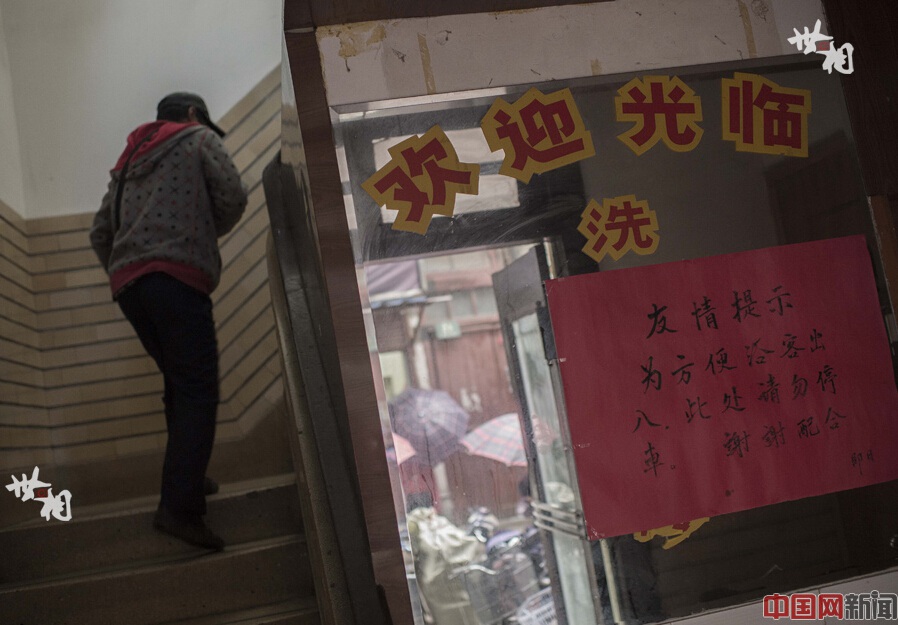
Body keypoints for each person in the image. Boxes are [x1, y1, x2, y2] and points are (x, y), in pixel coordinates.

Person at [89, 93, 247, 550]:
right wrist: (197, 230)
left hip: (130, 288)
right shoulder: (199, 140)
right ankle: (179, 509)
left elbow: (101, 232)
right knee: (198, 388)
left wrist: (127, 269)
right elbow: (233, 197)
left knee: (179, 385)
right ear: (195, 116)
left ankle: (188, 479)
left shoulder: (128, 162)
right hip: (177, 280)